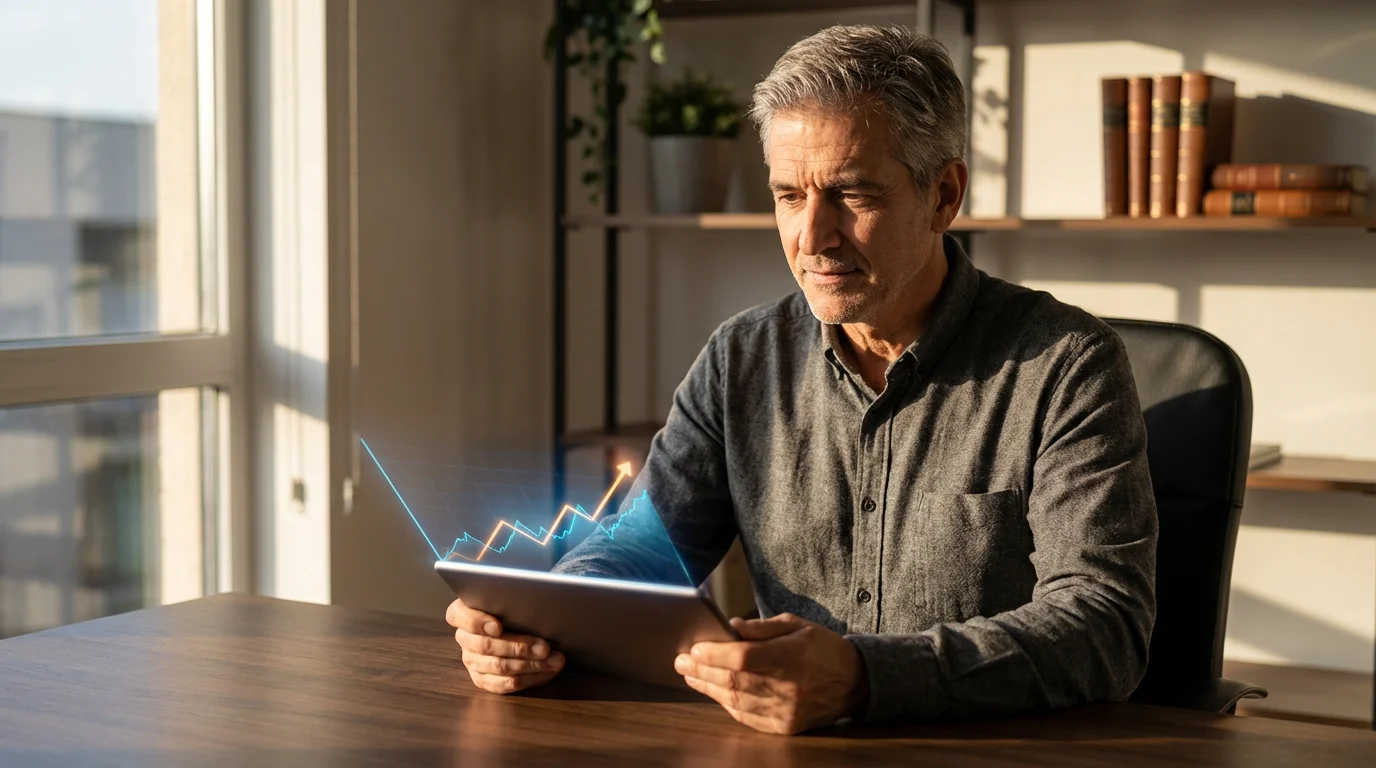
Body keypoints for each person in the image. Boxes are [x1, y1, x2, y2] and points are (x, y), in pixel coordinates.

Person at [446, 24, 1158, 735]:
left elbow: (1104, 626)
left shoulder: (1067, 365)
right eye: (788, 195)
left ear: (943, 195)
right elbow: (642, 548)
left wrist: (864, 679)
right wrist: (542, 619)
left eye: (851, 194)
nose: (811, 237)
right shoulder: (740, 359)